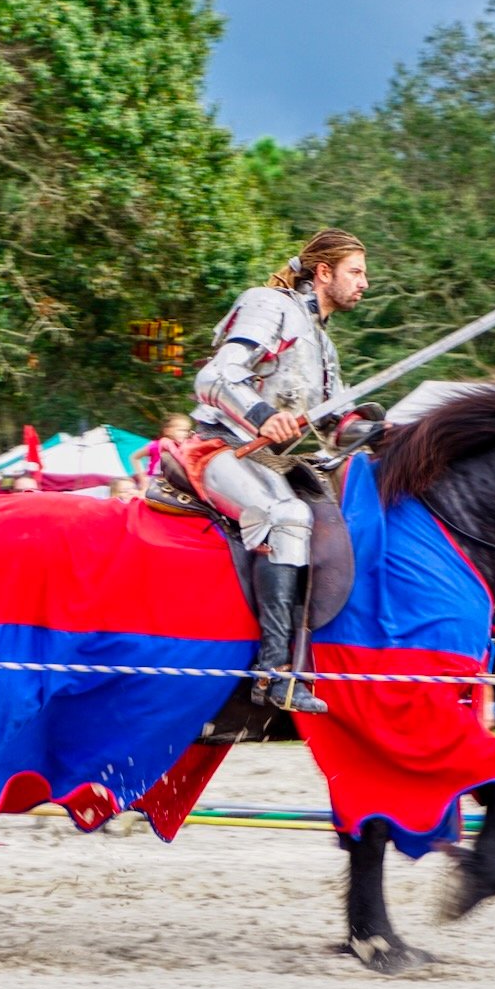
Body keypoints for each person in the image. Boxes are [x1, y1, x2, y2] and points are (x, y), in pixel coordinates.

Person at [188, 228, 384, 715]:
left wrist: (377, 431)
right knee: (286, 515)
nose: (364, 283)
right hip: (222, 450)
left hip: (273, 461)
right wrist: (260, 415)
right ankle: (274, 674)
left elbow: (335, 426)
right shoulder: (268, 305)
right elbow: (213, 377)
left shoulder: (323, 344)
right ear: (324, 273)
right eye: (356, 272)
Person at [130, 413, 193, 484]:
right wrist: (142, 479)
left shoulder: (183, 448)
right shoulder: (156, 445)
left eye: (188, 431)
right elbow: (135, 457)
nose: (185, 434)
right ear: (167, 431)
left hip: (171, 483)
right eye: (182, 430)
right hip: (154, 483)